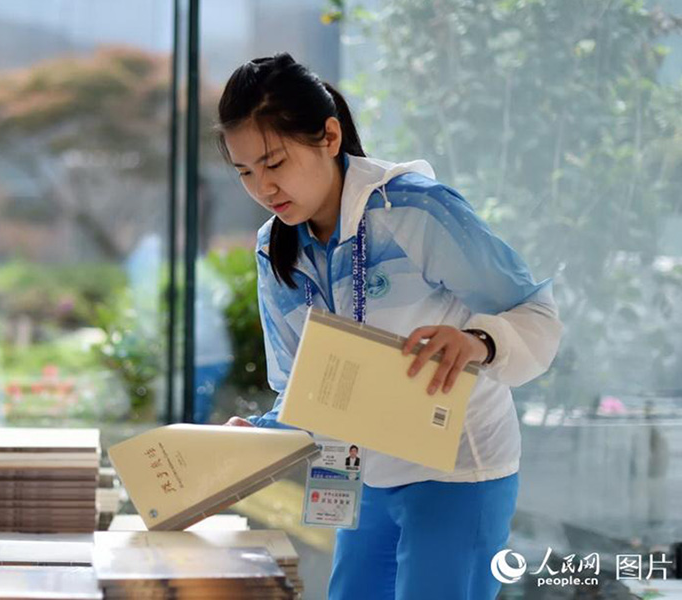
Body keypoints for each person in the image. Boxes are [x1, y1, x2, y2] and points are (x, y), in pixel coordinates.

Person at [218, 53, 562, 600]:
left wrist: (477, 342)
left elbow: (536, 313)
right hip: (364, 472)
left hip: (456, 469)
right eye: (245, 172)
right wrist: (258, 436)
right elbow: (303, 391)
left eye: (274, 162)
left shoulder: (413, 211)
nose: (263, 187)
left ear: (329, 137)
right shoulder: (275, 248)